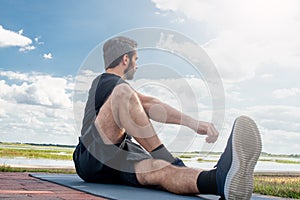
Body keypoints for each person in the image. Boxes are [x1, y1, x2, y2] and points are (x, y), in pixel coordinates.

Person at [73, 36, 262, 199]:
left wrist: (193, 124)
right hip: (91, 157)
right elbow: (147, 105)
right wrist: (193, 124)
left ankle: (219, 180)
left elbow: (149, 104)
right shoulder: (105, 81)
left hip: (120, 158)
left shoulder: (118, 88)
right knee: (123, 93)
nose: (136, 66)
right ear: (125, 59)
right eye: (135, 60)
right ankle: (167, 157)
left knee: (160, 170)